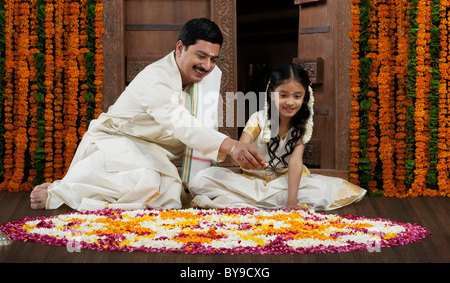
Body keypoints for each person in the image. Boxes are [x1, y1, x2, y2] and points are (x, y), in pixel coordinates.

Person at [30, 18, 266, 211]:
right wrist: (232, 146)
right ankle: (62, 191)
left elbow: (202, 126)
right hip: (115, 145)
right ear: (180, 48)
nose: (207, 66)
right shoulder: (155, 78)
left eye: (213, 59)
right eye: (201, 56)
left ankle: (133, 205)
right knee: (151, 183)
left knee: (173, 193)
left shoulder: (206, 80)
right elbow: (180, 123)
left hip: (149, 153)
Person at [189, 63, 367, 211]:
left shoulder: (303, 125)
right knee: (202, 179)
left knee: (317, 189)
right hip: (251, 181)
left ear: (305, 97)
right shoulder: (258, 119)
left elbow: (295, 162)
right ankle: (265, 201)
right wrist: (245, 159)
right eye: (283, 95)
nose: (290, 102)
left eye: (297, 96)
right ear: (270, 93)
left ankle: (258, 202)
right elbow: (243, 146)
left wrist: (292, 202)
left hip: (283, 182)